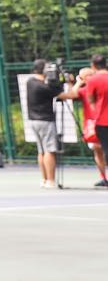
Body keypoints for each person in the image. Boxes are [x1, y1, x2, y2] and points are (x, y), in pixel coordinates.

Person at [59, 55, 108, 187]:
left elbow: (71, 94)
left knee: (101, 149)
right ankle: (104, 177)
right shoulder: (84, 89)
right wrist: (76, 82)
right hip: (94, 124)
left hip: (98, 123)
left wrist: (78, 82)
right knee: (98, 150)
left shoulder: (90, 86)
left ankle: (104, 177)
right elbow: (73, 94)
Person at [25, 58, 66, 189]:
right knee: (50, 150)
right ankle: (51, 180)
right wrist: (72, 83)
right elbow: (67, 95)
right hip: (45, 120)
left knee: (41, 150)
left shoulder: (30, 82)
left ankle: (44, 179)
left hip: (33, 120)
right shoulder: (44, 87)